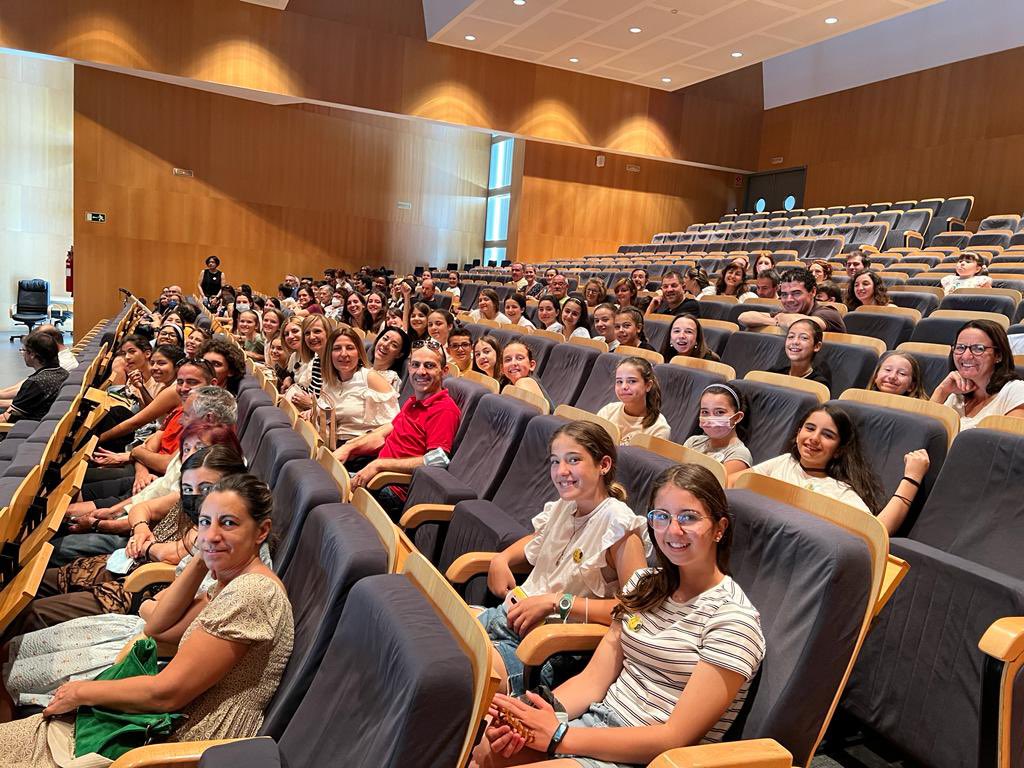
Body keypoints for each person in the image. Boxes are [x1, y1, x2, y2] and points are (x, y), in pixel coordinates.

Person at [471, 464, 763, 767]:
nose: (672, 530)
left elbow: (674, 737)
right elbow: (592, 681)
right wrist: (537, 716)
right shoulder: (643, 586)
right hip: (593, 727)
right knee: (491, 746)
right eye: (661, 516)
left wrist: (558, 736)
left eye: (688, 517)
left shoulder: (733, 621)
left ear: (719, 528)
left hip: (648, 757)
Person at [0, 473, 294, 764]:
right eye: (205, 522)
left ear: (261, 531)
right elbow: (156, 628)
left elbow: (167, 694)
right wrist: (205, 556)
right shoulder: (232, 580)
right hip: (160, 723)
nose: (212, 534)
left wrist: (81, 692)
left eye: (228, 523)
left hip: (178, 740)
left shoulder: (252, 593)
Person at [0, 443, 247, 713]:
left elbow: (166, 629)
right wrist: (141, 529)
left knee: (28, 622)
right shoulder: (204, 526)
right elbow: (145, 510)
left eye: (207, 489)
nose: (196, 497)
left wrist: (150, 588)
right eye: (191, 488)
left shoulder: (234, 570)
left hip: (141, 614)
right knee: (32, 586)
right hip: (140, 592)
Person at [476, 421, 652, 697]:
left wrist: (556, 602)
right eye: (555, 462)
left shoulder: (620, 527)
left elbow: (634, 613)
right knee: (430, 635)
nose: (561, 472)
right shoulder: (566, 505)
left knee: (456, 673)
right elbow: (538, 540)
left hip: (545, 649)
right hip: (508, 617)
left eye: (574, 460)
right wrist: (503, 558)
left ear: (603, 464)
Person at [741, 405, 930, 534]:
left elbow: (877, 531)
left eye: (827, 435)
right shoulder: (785, 462)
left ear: (839, 450)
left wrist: (911, 479)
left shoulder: (838, 490)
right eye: (810, 428)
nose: (814, 438)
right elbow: (737, 483)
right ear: (798, 433)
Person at [337, 340, 461, 518]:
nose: (421, 372)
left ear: (444, 371)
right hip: (376, 479)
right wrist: (349, 447)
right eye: (415, 365)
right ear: (409, 367)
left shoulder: (444, 409)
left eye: (429, 366)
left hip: (392, 491)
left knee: (326, 491)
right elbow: (384, 433)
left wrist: (380, 465)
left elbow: (439, 459)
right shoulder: (414, 401)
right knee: (324, 475)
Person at [929, 319, 1024, 429]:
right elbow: (925, 434)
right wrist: (941, 391)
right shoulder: (955, 396)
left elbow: (1005, 443)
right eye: (960, 347)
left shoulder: (1015, 392)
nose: (966, 356)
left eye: (978, 348)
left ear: (998, 355)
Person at [317, 326, 399, 443]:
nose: (343, 354)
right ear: (330, 354)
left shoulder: (370, 378)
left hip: (361, 449)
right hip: (331, 444)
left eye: (350, 348)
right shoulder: (330, 380)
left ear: (359, 353)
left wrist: (355, 447)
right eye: (337, 348)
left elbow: (394, 424)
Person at [738, 267, 846, 332]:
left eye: (796, 293)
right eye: (784, 295)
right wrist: (777, 321)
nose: (789, 299)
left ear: (813, 292)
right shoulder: (787, 313)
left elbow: (804, 325)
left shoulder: (829, 313)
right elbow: (744, 317)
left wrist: (781, 318)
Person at [596, 357, 670, 445]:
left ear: (648, 385)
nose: (624, 387)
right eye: (619, 381)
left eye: (632, 381)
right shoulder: (608, 411)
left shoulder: (659, 428)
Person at [0, 331, 69, 425]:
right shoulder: (63, 373)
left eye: (23, 350)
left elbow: (5, 419)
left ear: (32, 354)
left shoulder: (36, 383)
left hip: (25, 428)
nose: (22, 354)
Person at [683, 384, 752, 477]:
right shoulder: (693, 442)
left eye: (720, 412)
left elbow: (716, 489)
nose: (711, 418)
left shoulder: (738, 454)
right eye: (705, 412)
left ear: (737, 417)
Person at [285, 314, 333, 410]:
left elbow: (337, 407)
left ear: (328, 333)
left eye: (317, 331)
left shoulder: (336, 362)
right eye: (307, 333)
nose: (311, 337)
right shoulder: (317, 360)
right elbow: (313, 393)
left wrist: (311, 404)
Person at [770, 318, 832, 389]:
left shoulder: (819, 385)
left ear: (817, 346)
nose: (795, 342)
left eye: (804, 338)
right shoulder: (774, 374)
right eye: (791, 337)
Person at [499, 339, 553, 411]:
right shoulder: (508, 385)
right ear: (502, 369)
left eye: (520, 358)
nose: (513, 363)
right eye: (508, 360)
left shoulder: (524, 382)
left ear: (531, 365)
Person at [369, 326, 411, 392]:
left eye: (394, 345)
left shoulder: (392, 379)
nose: (385, 345)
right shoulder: (362, 368)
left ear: (399, 355)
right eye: (385, 339)